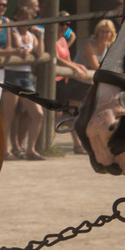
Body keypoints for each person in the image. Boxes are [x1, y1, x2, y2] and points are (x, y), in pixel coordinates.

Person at [2, 4, 44, 160]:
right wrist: (22, 51)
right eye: (22, 18)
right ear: (17, 18)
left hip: (25, 77)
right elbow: (17, 49)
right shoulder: (13, 33)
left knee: (38, 114)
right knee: (9, 116)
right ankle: (6, 150)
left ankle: (30, 149)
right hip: (12, 75)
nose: (25, 22)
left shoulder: (32, 36)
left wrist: (39, 36)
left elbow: (39, 53)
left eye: (28, 19)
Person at [55, 11, 89, 153]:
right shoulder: (51, 39)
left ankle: (77, 144)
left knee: (71, 113)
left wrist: (78, 66)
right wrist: (75, 66)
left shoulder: (63, 40)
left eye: (67, 24)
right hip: (54, 81)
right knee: (56, 114)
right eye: (61, 24)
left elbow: (67, 59)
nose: (64, 27)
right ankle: (47, 143)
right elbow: (56, 58)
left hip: (64, 81)